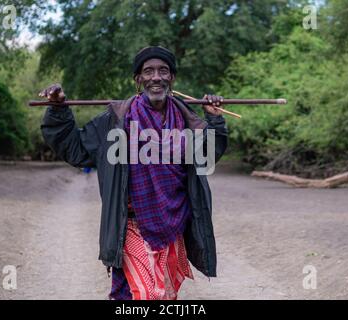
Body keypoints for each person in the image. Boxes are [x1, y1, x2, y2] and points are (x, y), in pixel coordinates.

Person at [40, 46, 228, 300]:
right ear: (138, 79)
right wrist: (59, 109)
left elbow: (207, 155)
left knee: (165, 295)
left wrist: (214, 119)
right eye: (148, 71)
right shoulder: (115, 119)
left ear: (172, 78)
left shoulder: (186, 119)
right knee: (149, 294)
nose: (156, 77)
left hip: (175, 226)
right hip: (131, 225)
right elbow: (76, 149)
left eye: (163, 71)